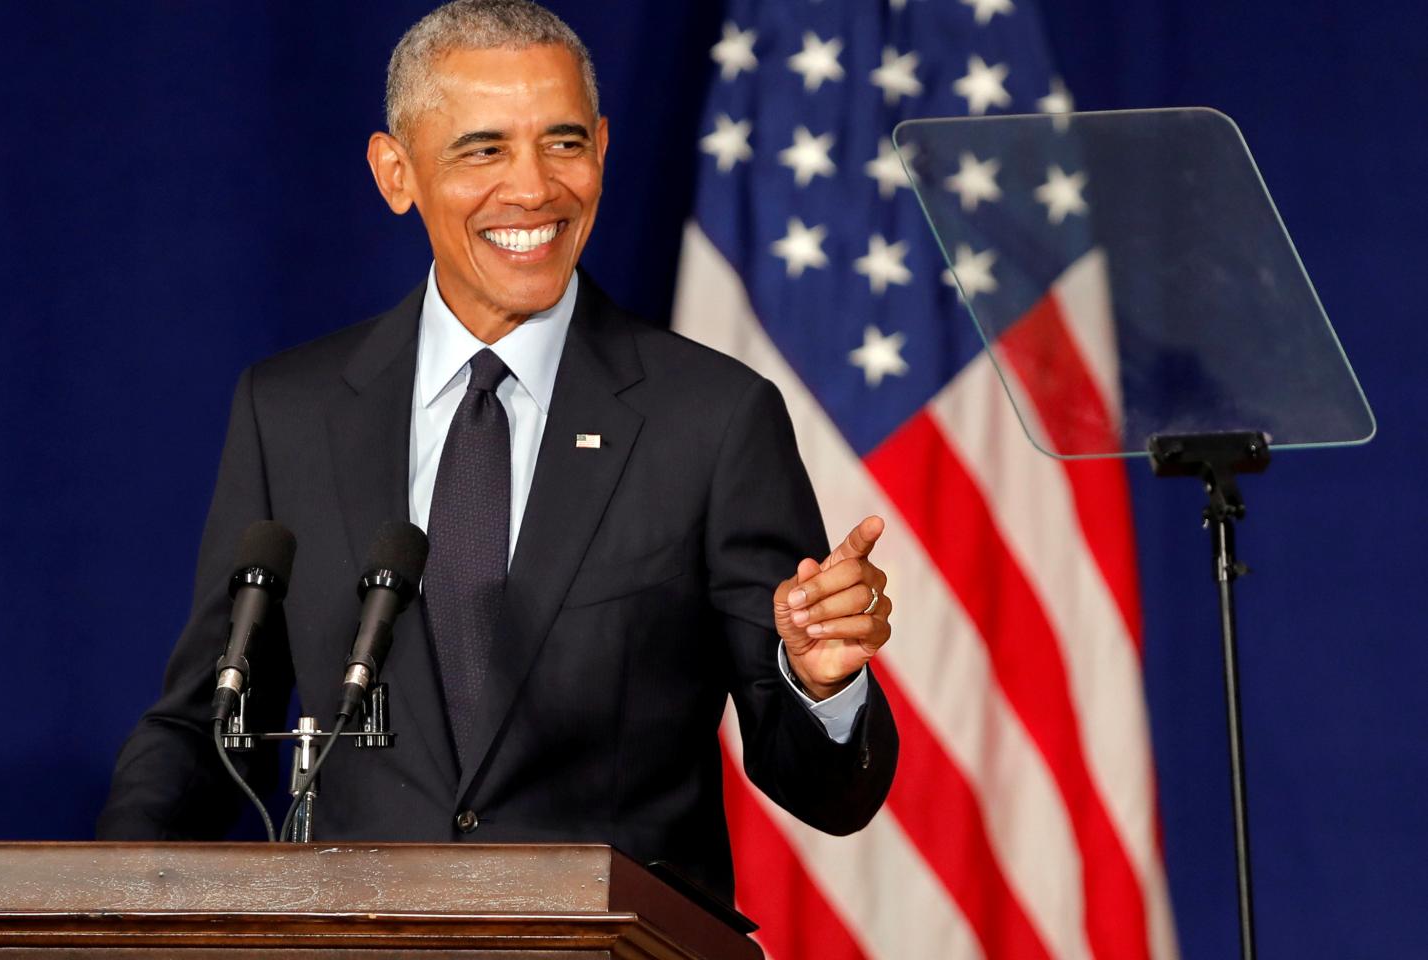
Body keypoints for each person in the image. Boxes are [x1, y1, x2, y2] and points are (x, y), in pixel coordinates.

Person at [98, 0, 899, 901]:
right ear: (395, 172)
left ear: (602, 146)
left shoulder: (711, 419)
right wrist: (109, 906)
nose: (533, 188)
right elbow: (210, 724)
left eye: (563, 143)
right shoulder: (290, 412)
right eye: (483, 150)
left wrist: (821, 685)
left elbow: (826, 793)